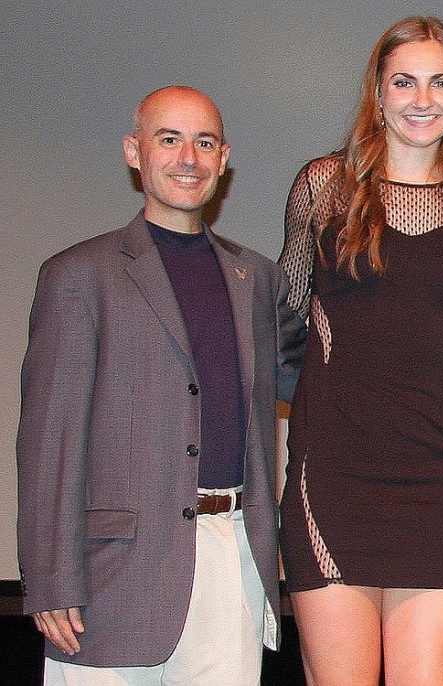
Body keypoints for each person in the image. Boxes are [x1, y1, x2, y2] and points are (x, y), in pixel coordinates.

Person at [277, 16, 443, 686]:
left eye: (440, 82)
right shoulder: (323, 186)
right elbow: (280, 311)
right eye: (405, 81)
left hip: (435, 480)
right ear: (379, 93)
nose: (423, 98)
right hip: (333, 477)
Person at [16, 85, 306, 684]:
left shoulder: (255, 277)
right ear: (134, 152)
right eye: (168, 140)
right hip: (109, 576)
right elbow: (51, 439)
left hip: (233, 559)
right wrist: (49, 577)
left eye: (204, 143)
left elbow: (315, 381)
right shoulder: (78, 275)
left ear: (223, 160)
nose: (188, 158)